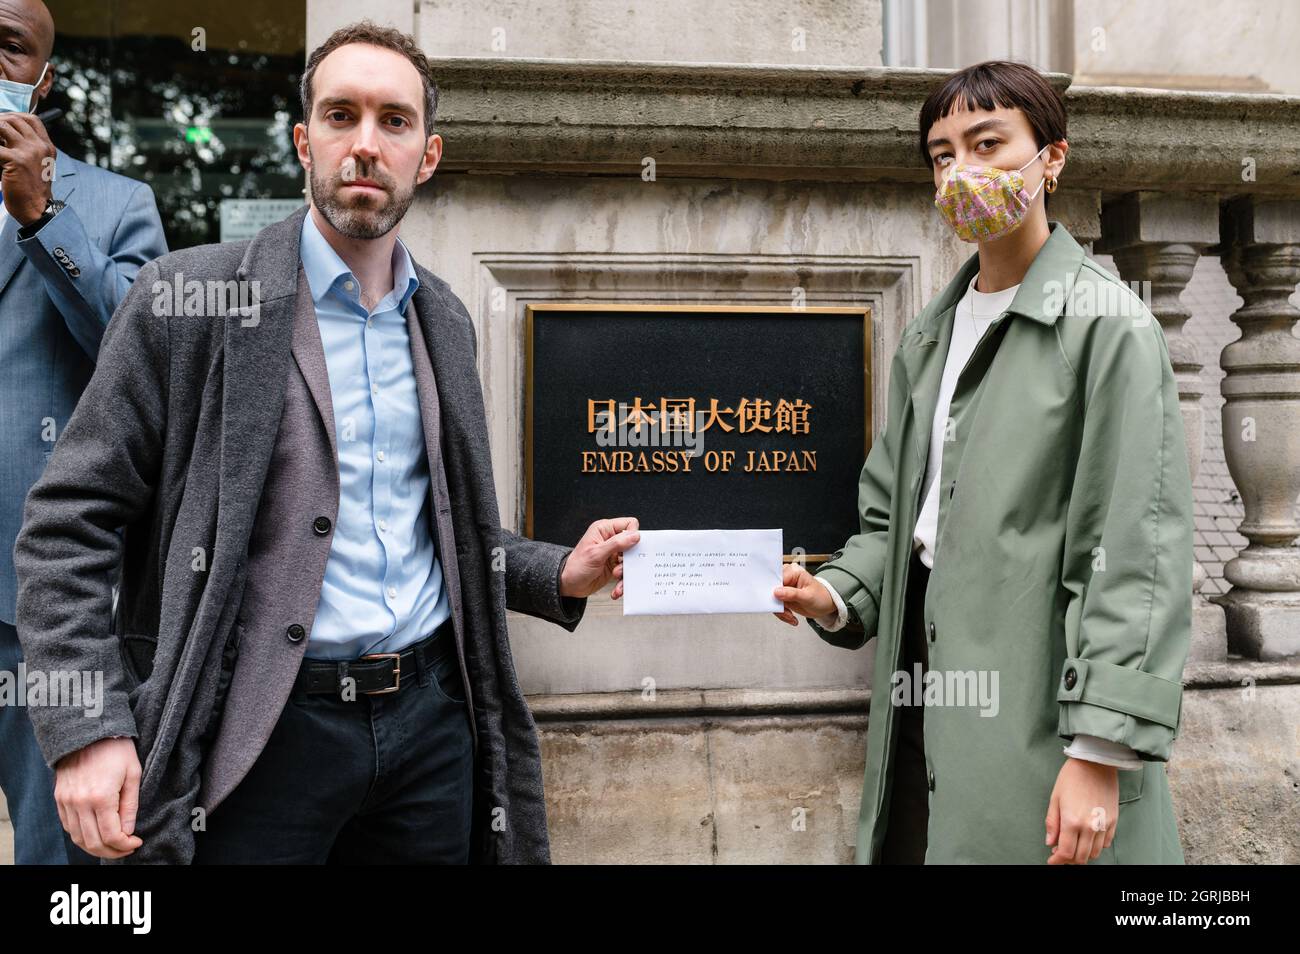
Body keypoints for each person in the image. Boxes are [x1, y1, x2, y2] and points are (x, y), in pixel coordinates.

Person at [13, 19, 635, 864]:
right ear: (304, 142)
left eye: (394, 121)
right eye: (341, 116)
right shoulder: (186, 299)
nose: (366, 145)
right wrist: (89, 727)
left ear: (430, 154)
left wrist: (558, 571)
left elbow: (442, 531)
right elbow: (67, 524)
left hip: (430, 730)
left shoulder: (443, 319)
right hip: (259, 733)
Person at [773, 60, 1193, 865]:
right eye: (941, 154)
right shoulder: (931, 335)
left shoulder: (1109, 328)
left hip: (1044, 702)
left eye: (988, 142)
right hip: (925, 688)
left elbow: (1136, 556)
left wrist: (1100, 752)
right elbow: (895, 519)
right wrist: (831, 593)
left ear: (1052, 158)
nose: (962, 169)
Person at [0, 0, 166, 865]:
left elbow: (140, 363)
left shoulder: (115, 203)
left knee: (65, 863)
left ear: (42, 78)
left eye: (8, 45)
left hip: (38, 617)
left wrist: (43, 215)